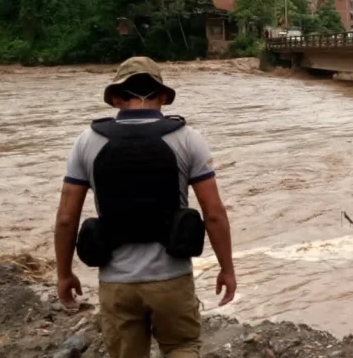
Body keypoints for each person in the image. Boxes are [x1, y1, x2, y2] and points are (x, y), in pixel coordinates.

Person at [54, 56, 236, 358]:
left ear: (116, 99)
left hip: (116, 282)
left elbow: (65, 218)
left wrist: (64, 274)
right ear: (162, 96)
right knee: (182, 347)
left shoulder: (87, 142)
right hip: (172, 279)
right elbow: (214, 213)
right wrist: (227, 269)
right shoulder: (188, 139)